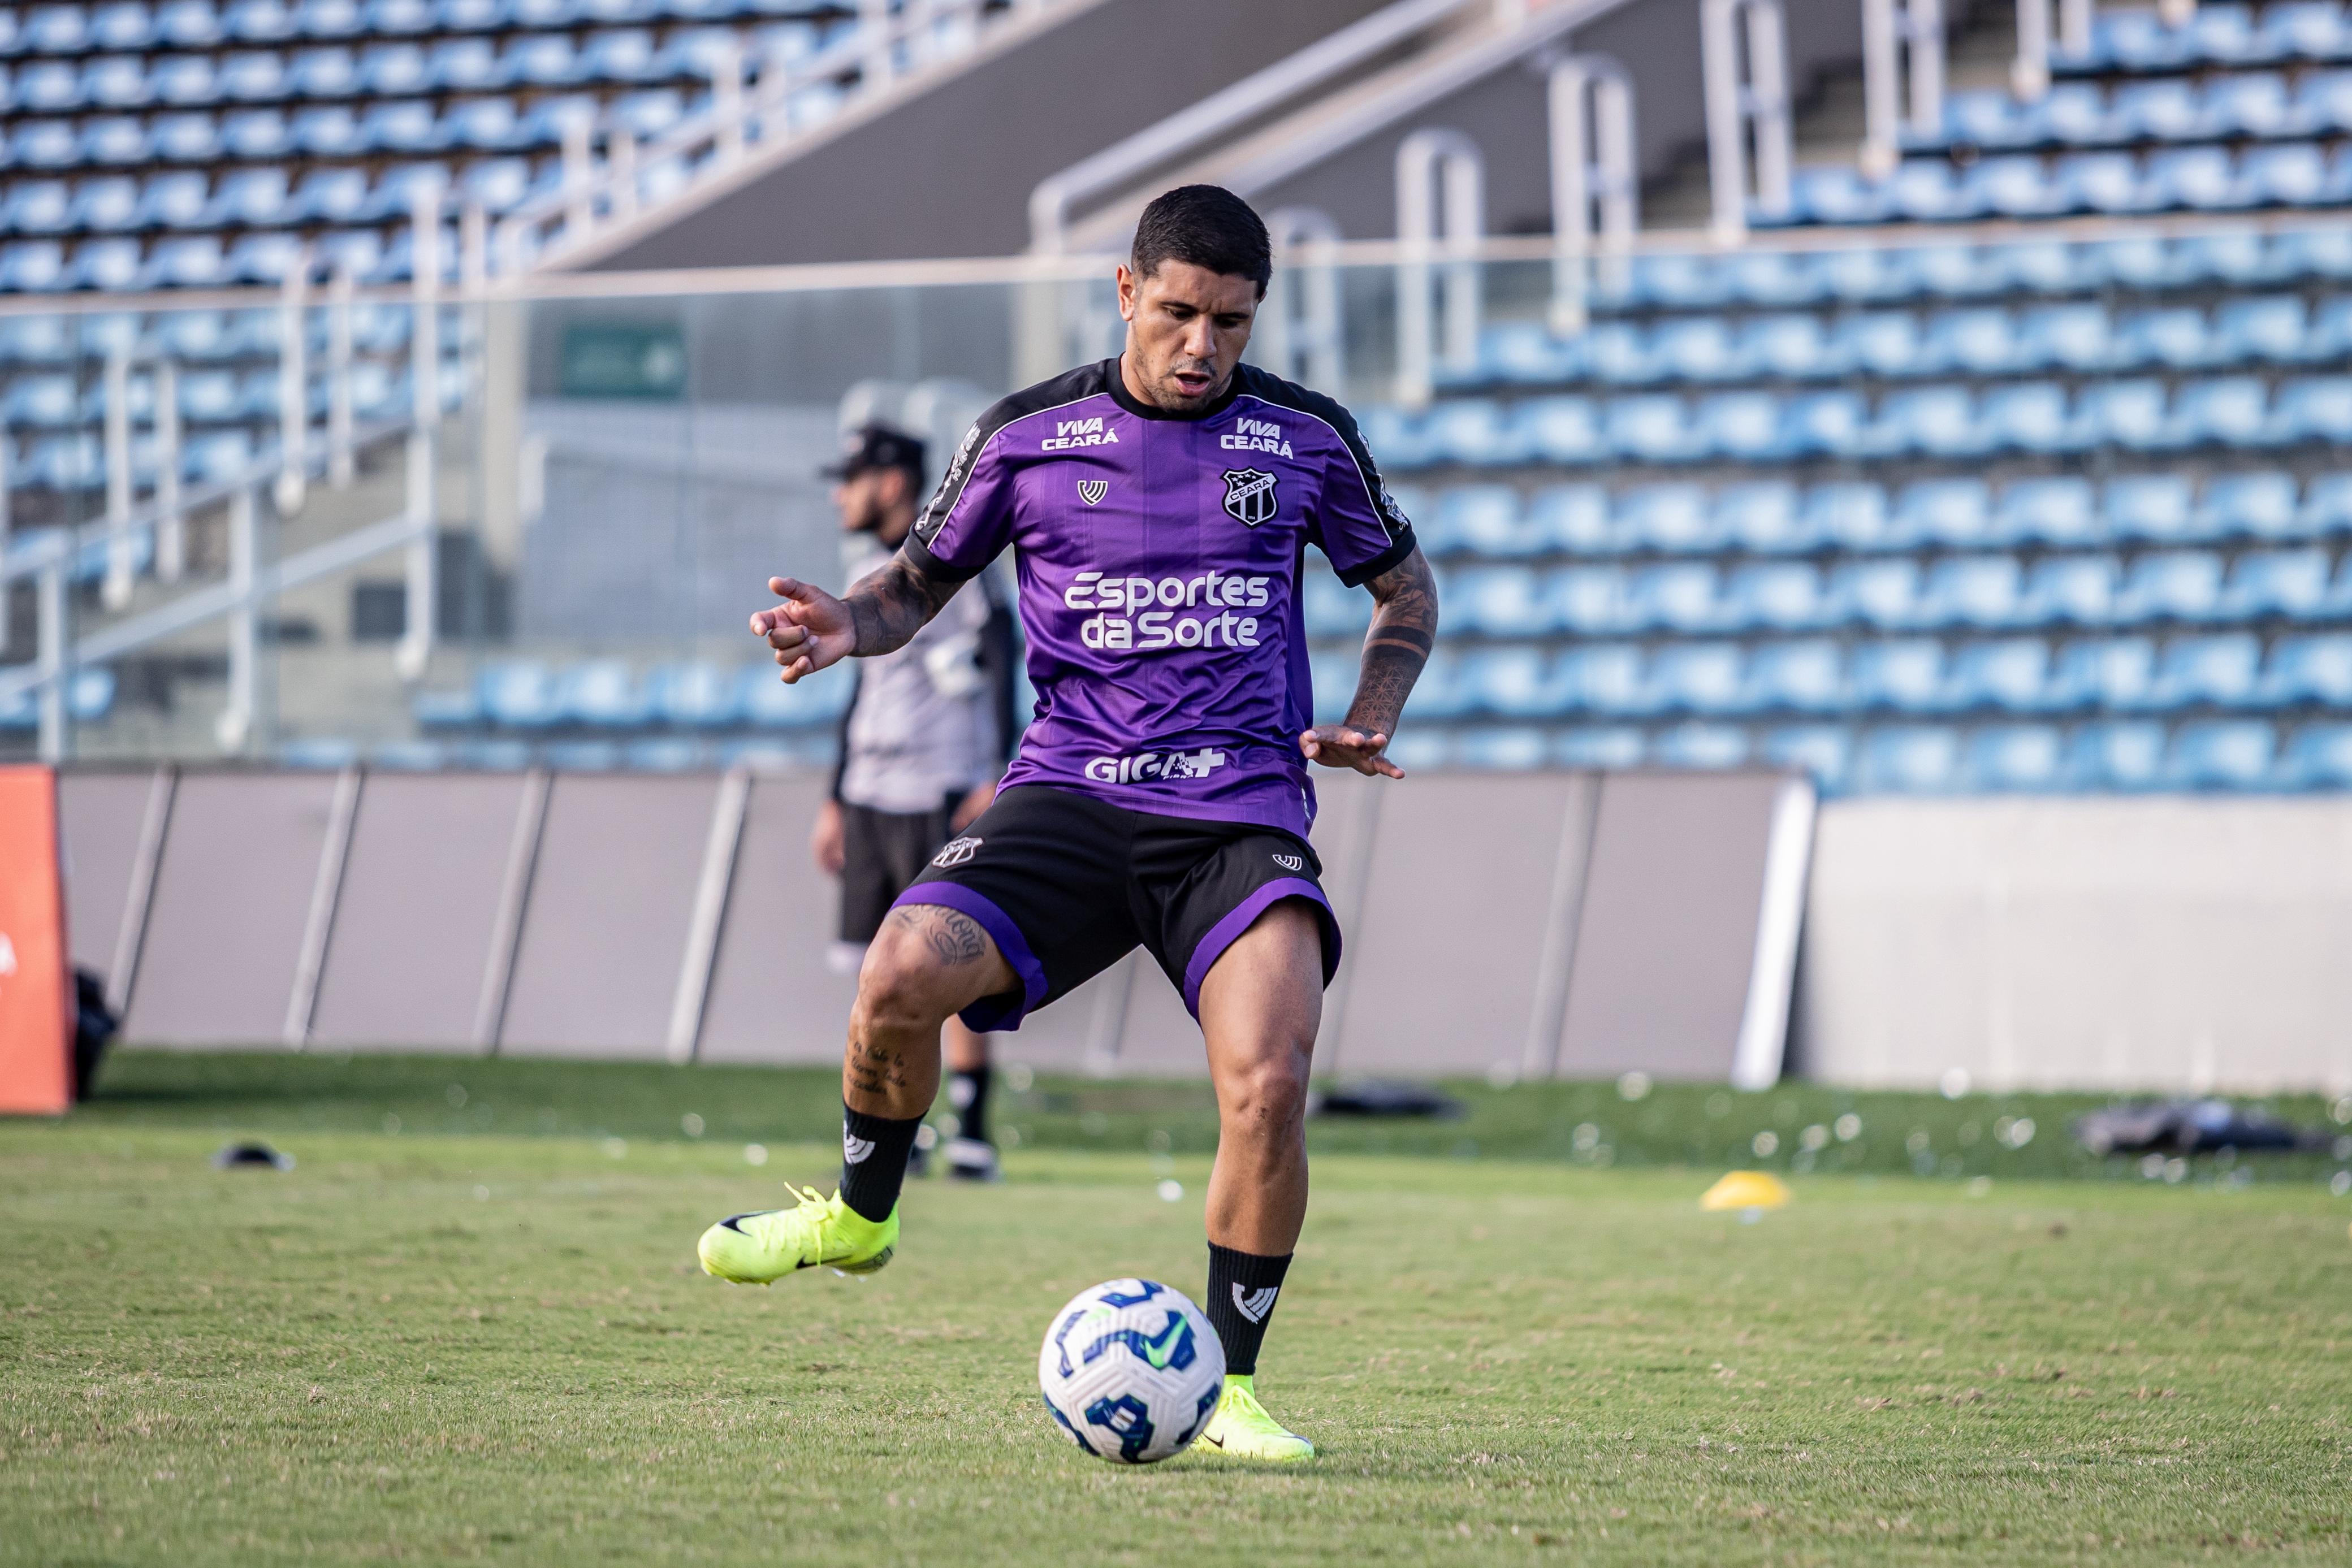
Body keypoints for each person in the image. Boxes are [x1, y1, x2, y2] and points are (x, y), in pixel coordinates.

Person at [699, 185, 1439, 1464]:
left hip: (1237, 813)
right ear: (1125, 292)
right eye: (1179, 312)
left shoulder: (1304, 439)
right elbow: (913, 589)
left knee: (1268, 1082)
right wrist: (845, 625)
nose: (1204, 343)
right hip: (1074, 794)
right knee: (893, 978)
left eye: (1231, 320)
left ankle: (1238, 1390)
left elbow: (1403, 587)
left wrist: (1373, 705)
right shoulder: (1027, 435)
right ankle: (864, 1215)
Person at [814, 421, 1018, 1181]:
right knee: (879, 973)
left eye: (853, 477)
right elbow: (860, 697)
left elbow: (1003, 664)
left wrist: (994, 770)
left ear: (893, 483)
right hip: (871, 795)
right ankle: (903, 1128)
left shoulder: (952, 570)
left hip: (940, 788)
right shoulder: (870, 572)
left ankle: (971, 1124)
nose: (841, 493)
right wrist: (834, 797)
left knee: (949, 960)